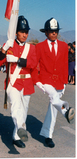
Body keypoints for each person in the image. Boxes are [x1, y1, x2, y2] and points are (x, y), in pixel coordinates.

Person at [0, 16, 37, 148]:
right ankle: (20, 128)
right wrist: (3, 50)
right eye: (22, 32)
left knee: (23, 110)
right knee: (15, 107)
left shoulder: (31, 48)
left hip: (27, 84)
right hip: (13, 83)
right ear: (16, 32)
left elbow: (34, 64)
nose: (24, 35)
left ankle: (16, 136)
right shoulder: (9, 45)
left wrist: (19, 60)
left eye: (26, 32)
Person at [34, 18, 75, 148]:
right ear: (46, 32)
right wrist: (37, 81)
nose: (54, 33)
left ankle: (48, 136)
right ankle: (66, 110)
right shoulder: (39, 47)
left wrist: (64, 81)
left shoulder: (64, 46)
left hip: (59, 82)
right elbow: (35, 66)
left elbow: (64, 63)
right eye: (51, 31)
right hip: (46, 81)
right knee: (53, 97)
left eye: (56, 31)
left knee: (53, 108)